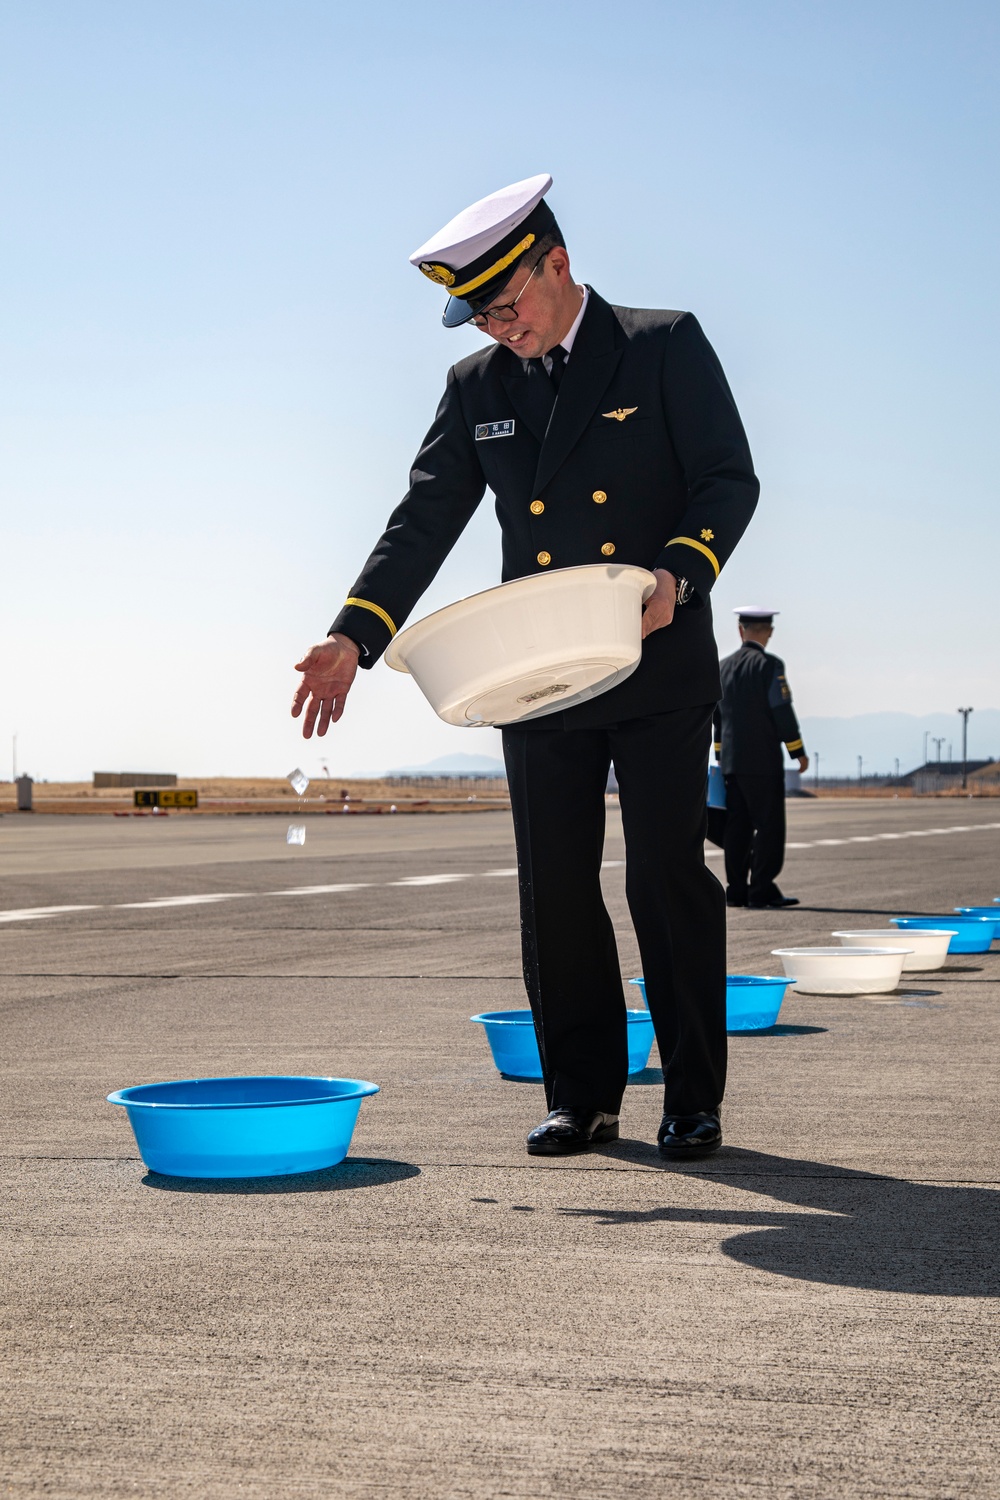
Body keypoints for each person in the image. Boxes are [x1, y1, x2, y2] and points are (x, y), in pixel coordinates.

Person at [292, 174, 759, 1159]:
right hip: (538, 675)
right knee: (553, 886)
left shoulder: (661, 344)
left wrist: (683, 572)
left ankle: (691, 1096)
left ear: (560, 262)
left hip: (656, 657)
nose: (499, 329)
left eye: (508, 306)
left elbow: (726, 476)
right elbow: (425, 515)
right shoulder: (478, 390)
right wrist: (354, 634)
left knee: (662, 878)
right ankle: (580, 1096)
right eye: (481, 317)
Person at [713, 608, 809, 909]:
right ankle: (762, 888)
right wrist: (797, 750)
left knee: (736, 827)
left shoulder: (722, 668)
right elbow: (781, 710)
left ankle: (737, 889)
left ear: (741, 631)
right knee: (769, 826)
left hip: (731, 764)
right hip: (762, 763)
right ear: (768, 632)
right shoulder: (769, 666)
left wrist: (719, 755)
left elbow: (717, 718)